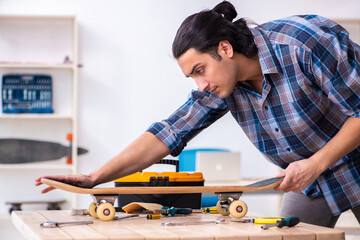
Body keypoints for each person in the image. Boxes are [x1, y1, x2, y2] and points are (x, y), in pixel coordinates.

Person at [36, 1, 360, 227]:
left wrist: (315, 163)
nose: (200, 84)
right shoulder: (221, 85)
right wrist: (94, 178)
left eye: (200, 70)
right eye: (192, 76)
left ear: (225, 49)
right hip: (312, 178)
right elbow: (168, 133)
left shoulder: (303, 42)